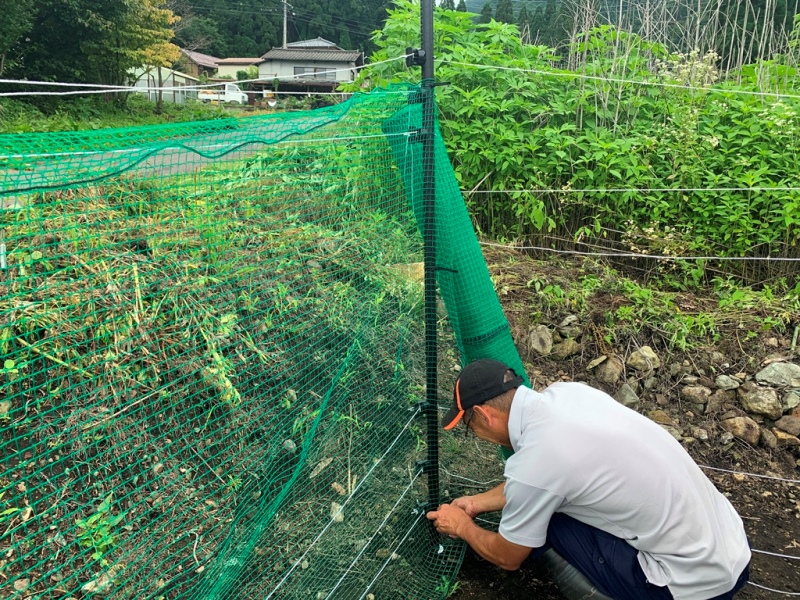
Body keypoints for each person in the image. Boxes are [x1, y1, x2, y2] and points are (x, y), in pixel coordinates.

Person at [426, 359, 751, 600]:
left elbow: (508, 557)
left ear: (485, 415)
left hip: (691, 585)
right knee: (549, 504)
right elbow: (541, 482)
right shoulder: (569, 395)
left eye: (471, 427)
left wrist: (462, 527)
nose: (477, 435)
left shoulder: (537, 461)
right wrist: (476, 503)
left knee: (544, 525)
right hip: (731, 548)